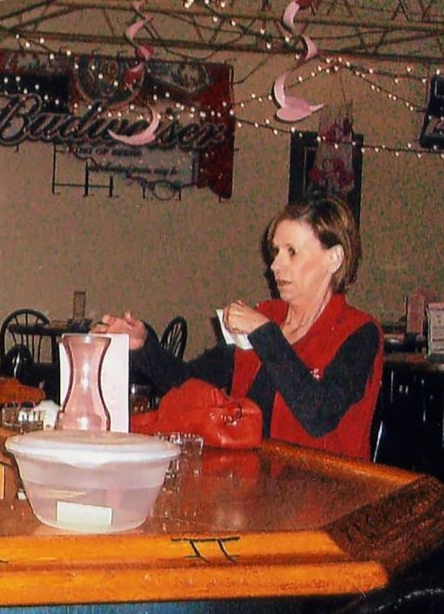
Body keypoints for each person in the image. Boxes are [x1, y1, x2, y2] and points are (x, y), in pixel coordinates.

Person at [97, 195, 383, 459]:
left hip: (328, 495)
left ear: (333, 259)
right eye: (276, 252)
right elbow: (188, 382)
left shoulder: (358, 332)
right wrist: (143, 346)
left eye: (291, 252)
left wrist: (265, 335)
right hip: (255, 485)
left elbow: (319, 416)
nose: (275, 265)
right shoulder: (265, 317)